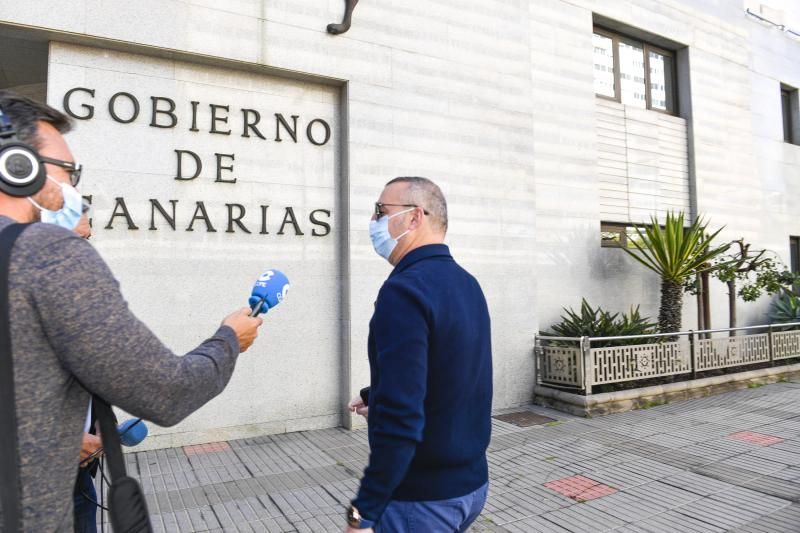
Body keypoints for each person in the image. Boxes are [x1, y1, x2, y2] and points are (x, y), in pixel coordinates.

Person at [0, 90, 263, 531]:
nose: (75, 190)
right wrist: (228, 341)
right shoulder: (45, 253)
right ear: (17, 166)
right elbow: (167, 390)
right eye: (69, 172)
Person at [346, 177, 493, 533]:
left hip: (419, 501)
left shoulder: (404, 292)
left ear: (414, 218)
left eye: (380, 211)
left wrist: (364, 511)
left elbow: (402, 417)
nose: (373, 222)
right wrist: (376, 399)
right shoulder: (466, 283)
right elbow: (452, 373)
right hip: (470, 487)